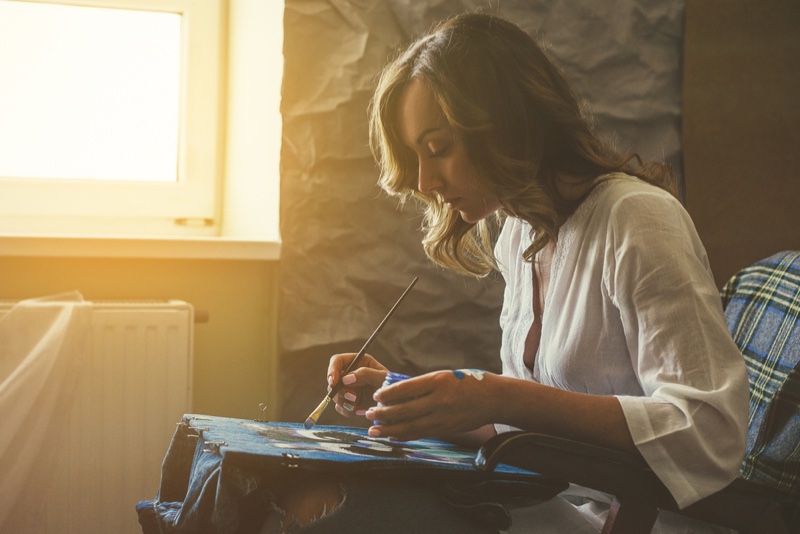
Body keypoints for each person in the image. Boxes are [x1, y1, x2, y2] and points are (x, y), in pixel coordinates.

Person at [262, 11, 749, 534]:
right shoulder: (520, 233)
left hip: (640, 522)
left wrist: (499, 393)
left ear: (505, 122)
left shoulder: (638, 221)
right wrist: (408, 398)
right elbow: (529, 431)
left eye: (438, 149)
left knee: (319, 508)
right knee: (288, 489)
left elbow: (707, 429)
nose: (426, 180)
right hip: (554, 503)